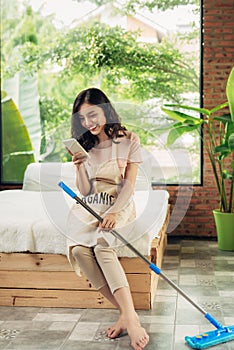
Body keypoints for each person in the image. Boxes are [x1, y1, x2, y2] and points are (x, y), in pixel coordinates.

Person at [66, 87, 149, 350]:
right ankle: (127, 313)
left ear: (106, 110)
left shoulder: (129, 140)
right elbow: (86, 190)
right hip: (91, 204)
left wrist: (114, 212)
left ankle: (131, 320)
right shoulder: (85, 145)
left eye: (93, 115)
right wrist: (79, 167)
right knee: (78, 250)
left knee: (102, 246)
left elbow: (129, 185)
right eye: (82, 118)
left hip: (118, 204)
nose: (88, 123)